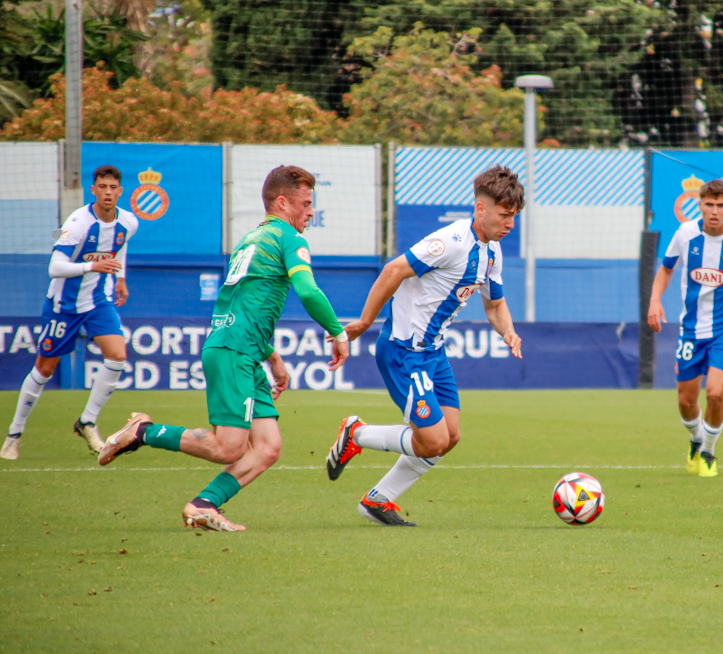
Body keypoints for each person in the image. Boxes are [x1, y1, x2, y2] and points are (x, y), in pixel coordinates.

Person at [97, 166, 349, 532]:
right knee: (228, 448)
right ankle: (143, 431)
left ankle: (203, 505)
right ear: (282, 202)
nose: (311, 212)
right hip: (235, 351)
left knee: (267, 447)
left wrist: (273, 357)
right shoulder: (289, 238)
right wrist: (338, 332)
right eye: (306, 204)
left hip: (241, 349)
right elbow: (308, 291)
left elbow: (243, 308)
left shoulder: (252, 240)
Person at [324, 164, 524, 526]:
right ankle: (356, 433)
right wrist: (365, 323)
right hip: (404, 352)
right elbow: (392, 271)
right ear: (481, 209)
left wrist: (507, 331)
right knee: (432, 441)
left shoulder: (492, 252)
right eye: (505, 214)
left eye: (514, 216)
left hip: (434, 354)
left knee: (450, 437)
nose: (510, 223)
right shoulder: (449, 242)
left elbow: (494, 306)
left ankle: (378, 500)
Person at [2, 165, 138, 461]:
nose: (108, 193)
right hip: (63, 306)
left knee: (117, 355)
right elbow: (54, 267)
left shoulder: (128, 221)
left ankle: (87, 422)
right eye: (102, 187)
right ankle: (14, 433)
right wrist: (93, 266)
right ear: (94, 190)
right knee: (45, 370)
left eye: (113, 187)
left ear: (120, 191)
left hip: (98, 301)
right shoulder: (78, 222)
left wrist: (121, 278)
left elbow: (120, 247)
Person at [647, 178, 723, 477]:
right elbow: (666, 269)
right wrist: (655, 300)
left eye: (720, 205)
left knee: (715, 393)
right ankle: (695, 440)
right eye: (709, 204)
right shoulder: (685, 234)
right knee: (686, 400)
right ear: (700, 205)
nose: (714, 211)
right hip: (691, 330)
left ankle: (709, 453)